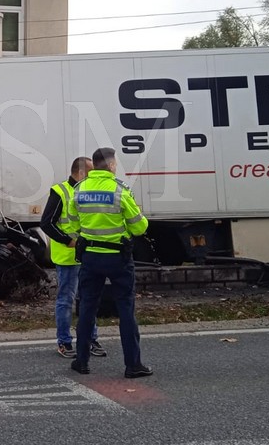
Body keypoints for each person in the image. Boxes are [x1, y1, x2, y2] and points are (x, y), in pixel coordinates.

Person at [67, 148, 152, 378]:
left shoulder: (79, 190)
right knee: (125, 308)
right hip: (118, 258)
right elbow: (139, 227)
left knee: (87, 308)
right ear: (112, 166)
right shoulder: (120, 190)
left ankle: (82, 361)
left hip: (90, 258)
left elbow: (71, 223)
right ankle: (133, 365)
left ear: (93, 166)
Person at [40, 156, 105, 359]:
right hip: (68, 256)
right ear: (81, 172)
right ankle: (65, 341)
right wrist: (67, 240)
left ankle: (90, 339)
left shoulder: (88, 190)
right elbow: (46, 223)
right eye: (91, 171)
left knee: (88, 299)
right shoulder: (60, 191)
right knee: (66, 300)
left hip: (88, 255)